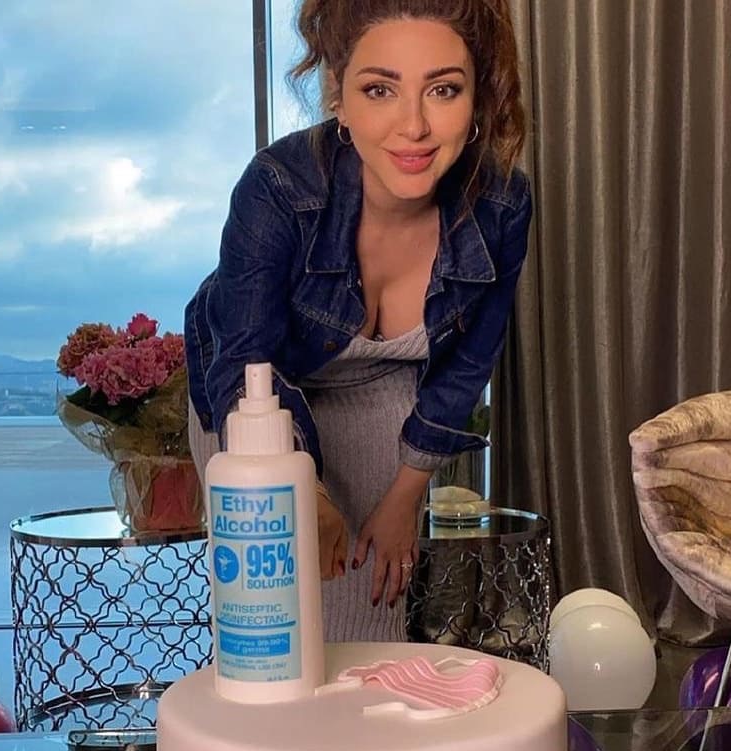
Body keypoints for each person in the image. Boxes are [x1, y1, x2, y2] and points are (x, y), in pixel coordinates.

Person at [186, 0, 532, 643]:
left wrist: (406, 497)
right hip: (252, 396)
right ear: (337, 96)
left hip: (382, 390)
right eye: (379, 89)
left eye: (443, 90)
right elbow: (246, 361)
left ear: (477, 100)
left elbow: (467, 367)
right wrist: (302, 489)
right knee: (272, 623)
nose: (414, 126)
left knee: (367, 622)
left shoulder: (503, 206)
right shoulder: (277, 186)